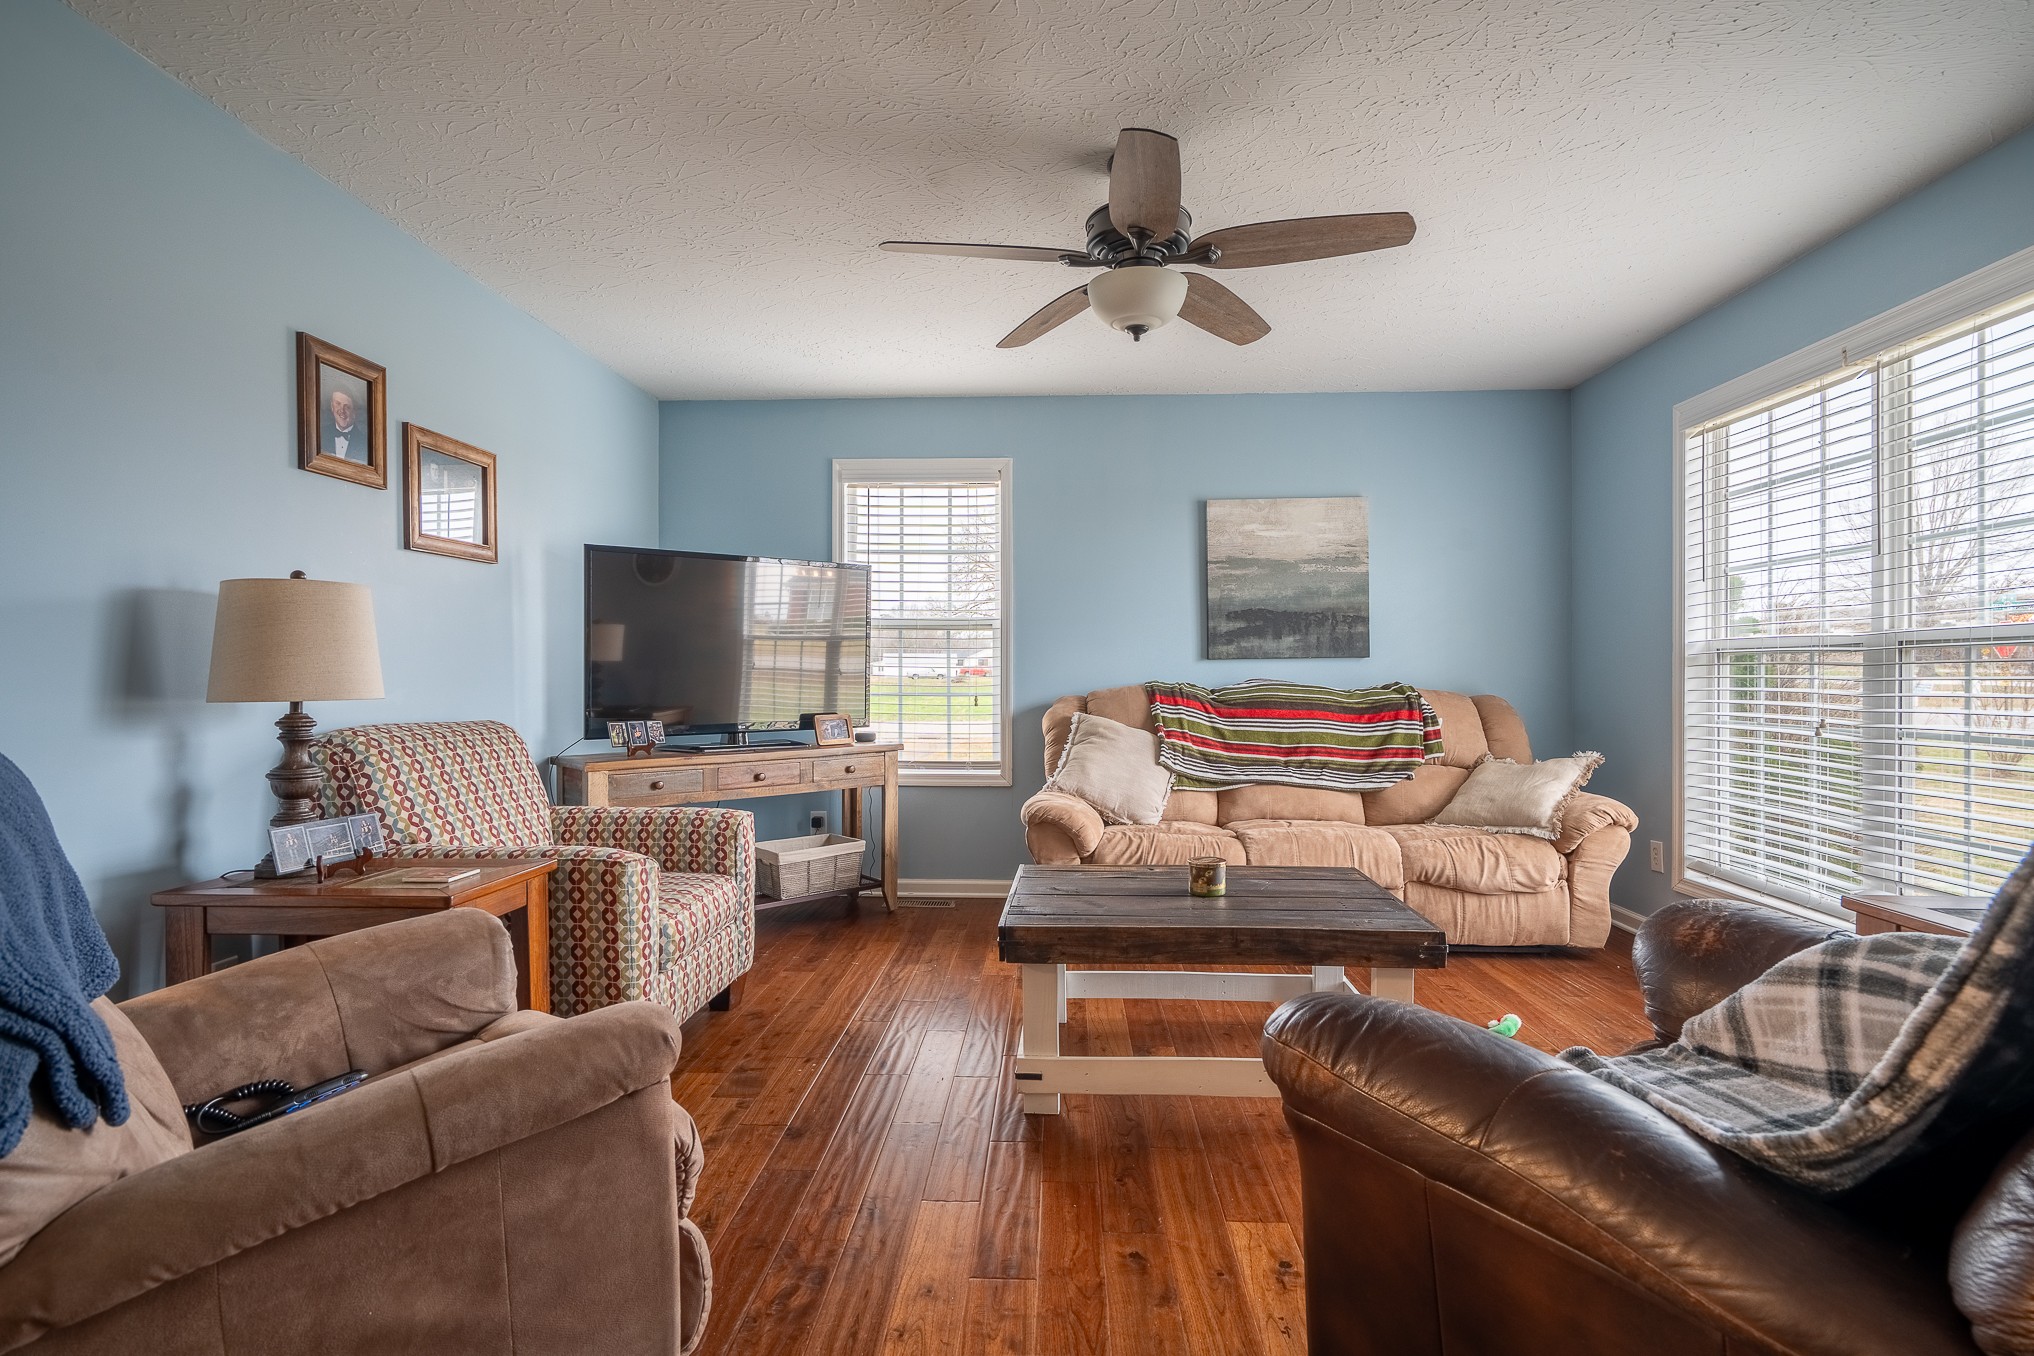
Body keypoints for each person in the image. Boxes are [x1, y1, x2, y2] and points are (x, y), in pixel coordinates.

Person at [320, 382, 364, 460]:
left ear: (354, 412)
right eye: (338, 404)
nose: (342, 410)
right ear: (332, 406)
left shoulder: (364, 441)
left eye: (347, 407)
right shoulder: (320, 433)